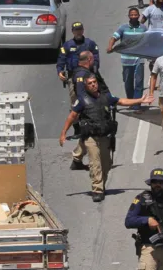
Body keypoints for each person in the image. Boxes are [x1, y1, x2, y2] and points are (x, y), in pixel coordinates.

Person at [59, 74, 151, 202]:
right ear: (86, 86)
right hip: (91, 137)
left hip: (104, 136)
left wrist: (140, 100)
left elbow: (122, 101)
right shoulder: (82, 100)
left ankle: (101, 185)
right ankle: (97, 189)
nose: (93, 85)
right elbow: (72, 116)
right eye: (90, 83)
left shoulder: (106, 97)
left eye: (95, 82)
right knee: (95, 163)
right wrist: (63, 133)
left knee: (106, 164)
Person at [109, 8, 147, 102]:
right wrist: (110, 46)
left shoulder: (143, 28)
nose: (133, 16)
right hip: (126, 60)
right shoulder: (123, 28)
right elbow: (114, 37)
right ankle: (130, 101)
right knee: (128, 82)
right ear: (129, 16)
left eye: (135, 15)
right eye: (132, 15)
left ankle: (136, 105)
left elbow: (148, 40)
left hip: (139, 59)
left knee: (139, 82)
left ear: (138, 16)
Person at [56, 21, 100, 93]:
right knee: (75, 101)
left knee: (95, 97)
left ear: (83, 30)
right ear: (73, 31)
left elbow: (96, 58)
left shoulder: (90, 43)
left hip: (89, 76)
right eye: (76, 30)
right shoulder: (67, 45)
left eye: (80, 30)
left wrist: (94, 71)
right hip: (73, 76)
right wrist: (60, 71)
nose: (78, 32)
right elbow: (61, 59)